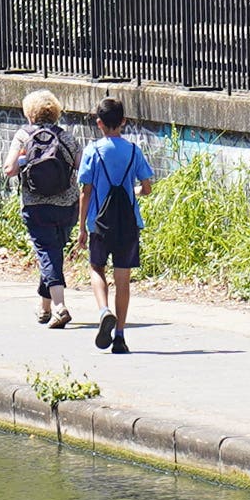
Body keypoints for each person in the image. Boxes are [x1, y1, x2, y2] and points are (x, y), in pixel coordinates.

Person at [0, 88, 84, 327]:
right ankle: (44, 307)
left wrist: (26, 158)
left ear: (30, 114)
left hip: (36, 206)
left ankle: (59, 306)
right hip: (67, 205)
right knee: (52, 253)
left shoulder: (23, 136)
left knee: (47, 253)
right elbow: (82, 167)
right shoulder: (66, 137)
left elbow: (9, 169)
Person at [76, 97, 154, 353]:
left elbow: (85, 191)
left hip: (99, 223)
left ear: (99, 123)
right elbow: (147, 188)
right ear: (123, 122)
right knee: (123, 279)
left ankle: (103, 311)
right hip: (128, 223)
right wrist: (133, 190)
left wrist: (81, 228)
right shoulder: (134, 150)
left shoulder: (93, 151)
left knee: (96, 268)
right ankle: (120, 335)